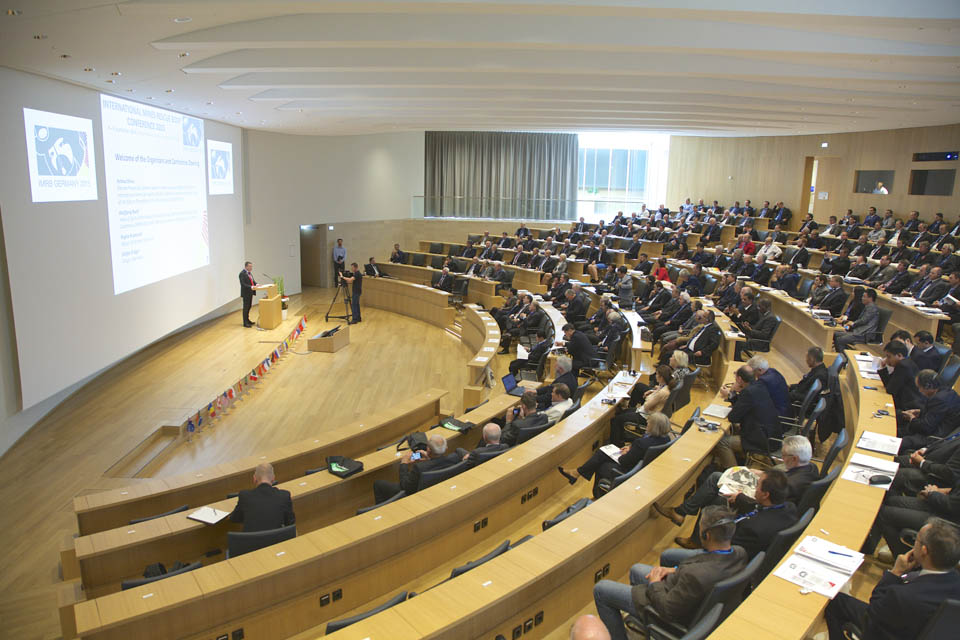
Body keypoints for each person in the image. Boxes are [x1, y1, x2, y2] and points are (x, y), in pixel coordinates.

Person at [592, 506, 748, 639]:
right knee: (636, 570)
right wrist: (674, 570)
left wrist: (654, 583)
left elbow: (667, 610)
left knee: (601, 590)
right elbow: (703, 565)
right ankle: (641, 622)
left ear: (705, 535)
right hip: (683, 592)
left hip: (666, 608)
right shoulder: (740, 553)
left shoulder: (695, 576)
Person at [828, 519, 960, 640]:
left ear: (924, 550)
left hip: (889, 627)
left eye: (917, 540)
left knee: (835, 601)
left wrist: (895, 572)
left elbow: (872, 615)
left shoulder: (902, 596)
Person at [659, 469, 799, 562]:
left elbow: (725, 550)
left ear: (765, 494)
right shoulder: (789, 508)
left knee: (668, 555)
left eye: (757, 485)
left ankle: (695, 535)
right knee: (717, 498)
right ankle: (687, 526)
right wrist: (739, 497)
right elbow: (760, 508)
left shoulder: (753, 528)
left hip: (722, 555)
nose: (755, 488)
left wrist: (708, 536)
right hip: (737, 535)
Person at [559, 411, 672, 490]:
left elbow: (624, 461)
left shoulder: (642, 443)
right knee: (602, 453)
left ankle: (584, 480)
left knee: (601, 459)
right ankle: (577, 473)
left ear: (654, 427)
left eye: (649, 423)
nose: (646, 424)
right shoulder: (665, 438)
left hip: (631, 468)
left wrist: (626, 452)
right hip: (643, 463)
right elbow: (640, 446)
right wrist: (630, 447)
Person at [714, 366, 779, 468]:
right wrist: (732, 395)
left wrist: (734, 391)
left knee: (722, 442)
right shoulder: (759, 386)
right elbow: (745, 404)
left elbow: (733, 417)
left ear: (739, 379)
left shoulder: (748, 392)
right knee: (734, 428)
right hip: (772, 434)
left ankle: (733, 472)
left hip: (762, 440)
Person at [372, 434, 458, 503]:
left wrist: (404, 464)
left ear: (428, 449)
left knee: (378, 484)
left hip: (415, 496)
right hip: (435, 491)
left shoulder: (419, 468)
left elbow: (405, 487)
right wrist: (429, 459)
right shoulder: (454, 458)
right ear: (446, 448)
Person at [608, 366, 677, 446]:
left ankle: (615, 444)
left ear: (661, 377)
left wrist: (649, 396)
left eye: (657, 374)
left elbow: (647, 406)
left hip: (647, 416)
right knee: (621, 413)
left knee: (616, 420)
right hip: (647, 412)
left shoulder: (662, 392)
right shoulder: (666, 387)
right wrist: (652, 392)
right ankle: (620, 438)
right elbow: (657, 393)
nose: (655, 376)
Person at [229, 463, 295, 532]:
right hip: (276, 538)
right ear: (273, 479)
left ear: (254, 479)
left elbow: (234, 518)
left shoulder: (244, 496)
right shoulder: (284, 496)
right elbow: (290, 522)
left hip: (251, 538)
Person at [239, 260, 257, 328]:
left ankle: (248, 320)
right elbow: (243, 284)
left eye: (251, 266)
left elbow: (252, 281)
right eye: (250, 266)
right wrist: (251, 287)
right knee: (246, 308)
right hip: (246, 293)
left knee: (249, 306)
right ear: (246, 266)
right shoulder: (242, 274)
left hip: (250, 292)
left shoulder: (249, 273)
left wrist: (256, 284)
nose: (251, 268)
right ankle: (245, 322)